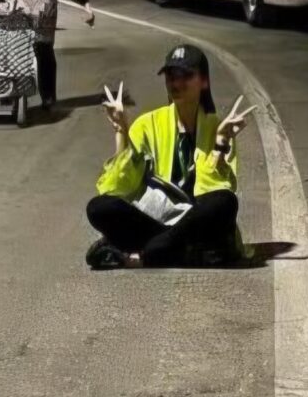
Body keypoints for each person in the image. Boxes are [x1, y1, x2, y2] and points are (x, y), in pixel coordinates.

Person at [85, 44, 250, 270]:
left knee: (224, 202)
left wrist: (220, 144)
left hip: (195, 220)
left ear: (204, 81)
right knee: (98, 207)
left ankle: (144, 254)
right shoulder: (147, 124)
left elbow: (215, 190)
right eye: (171, 77)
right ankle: (185, 252)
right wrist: (121, 132)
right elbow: (117, 187)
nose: (176, 84)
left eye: (186, 76)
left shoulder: (218, 128)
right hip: (159, 218)